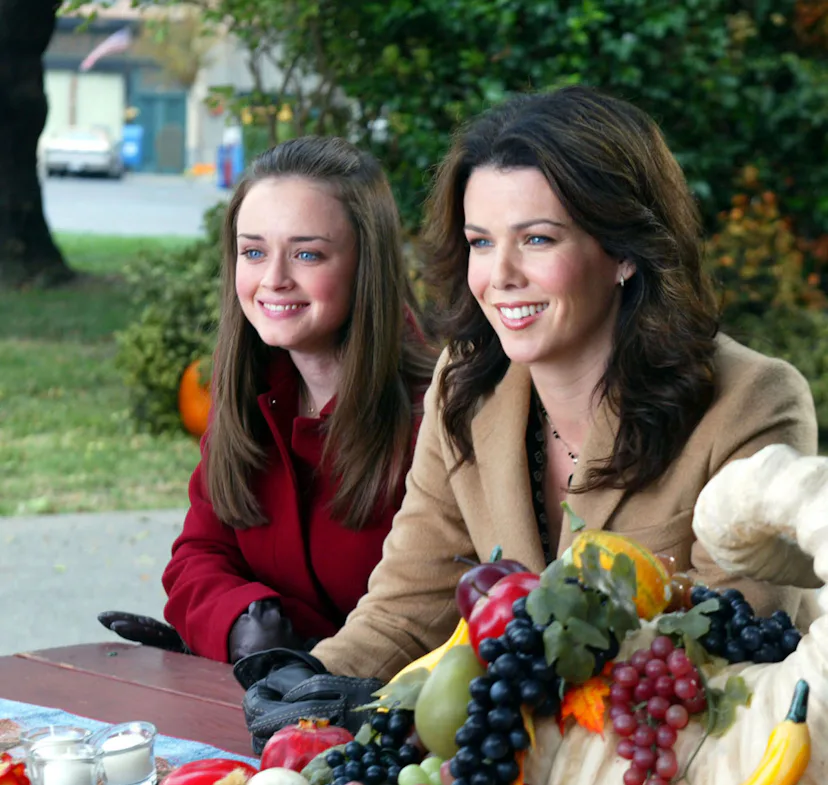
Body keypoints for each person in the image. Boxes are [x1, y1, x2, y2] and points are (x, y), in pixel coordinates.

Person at [240, 85, 819, 728]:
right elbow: (407, 607)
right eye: (481, 243)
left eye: (538, 240)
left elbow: (721, 663)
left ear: (624, 251)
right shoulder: (465, 386)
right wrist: (313, 680)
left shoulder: (752, 403)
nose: (501, 275)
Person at [99, 136, 437, 663]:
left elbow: (427, 610)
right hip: (262, 711)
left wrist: (298, 652)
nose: (273, 280)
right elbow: (199, 555)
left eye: (306, 254)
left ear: (365, 265)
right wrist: (240, 621)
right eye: (253, 252)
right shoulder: (250, 394)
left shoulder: (435, 412)